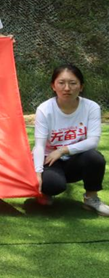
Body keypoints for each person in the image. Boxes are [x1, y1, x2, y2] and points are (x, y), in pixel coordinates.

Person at [32, 64, 108, 215]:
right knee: (52, 185)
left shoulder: (91, 107)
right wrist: (37, 174)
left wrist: (62, 150)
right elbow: (39, 145)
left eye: (73, 83)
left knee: (95, 158)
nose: (67, 88)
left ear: (81, 87)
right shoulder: (44, 109)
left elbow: (93, 141)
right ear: (53, 86)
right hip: (50, 161)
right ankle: (45, 192)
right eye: (61, 83)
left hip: (75, 160)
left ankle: (91, 199)